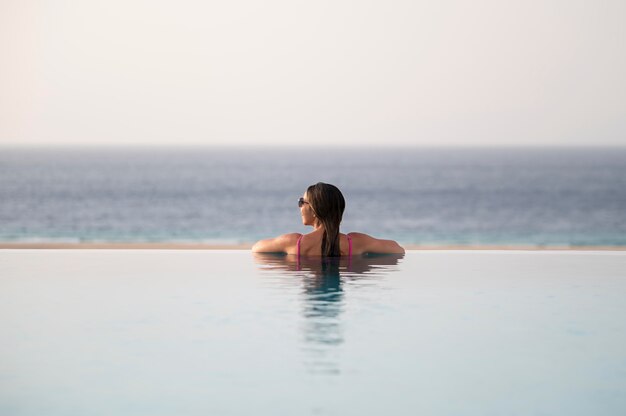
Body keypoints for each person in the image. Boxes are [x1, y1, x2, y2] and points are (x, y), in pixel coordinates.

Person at [252, 182, 405, 256]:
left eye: (301, 202)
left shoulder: (294, 242)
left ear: (314, 210)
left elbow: (256, 248)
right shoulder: (356, 242)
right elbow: (398, 250)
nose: (299, 207)